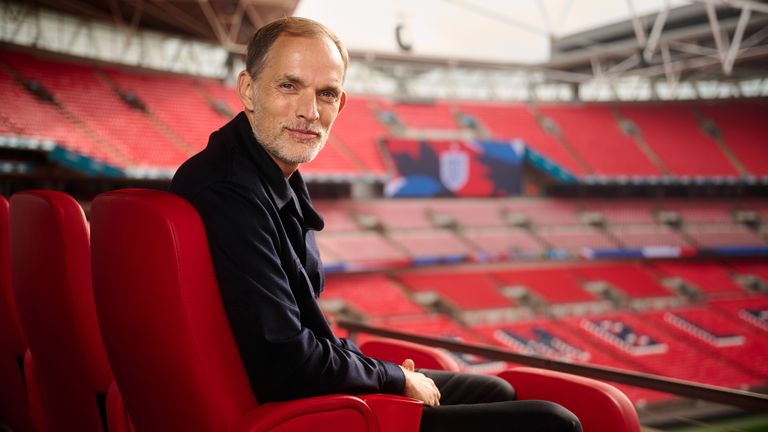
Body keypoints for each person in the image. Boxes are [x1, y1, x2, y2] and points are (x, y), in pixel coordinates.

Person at [170, 16, 581, 432]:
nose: (309, 112)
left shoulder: (269, 176)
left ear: (341, 104)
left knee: (494, 391)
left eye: (326, 94)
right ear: (248, 90)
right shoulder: (230, 191)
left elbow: (304, 337)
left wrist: (378, 371)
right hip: (288, 412)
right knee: (552, 423)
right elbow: (285, 361)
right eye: (288, 85)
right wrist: (394, 377)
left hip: (296, 388)